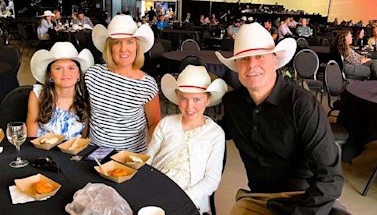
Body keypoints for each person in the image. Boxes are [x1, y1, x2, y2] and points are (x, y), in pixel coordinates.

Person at [215, 22, 344, 214]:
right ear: (236, 66)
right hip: (259, 199)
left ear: (275, 60)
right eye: (244, 59)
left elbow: (330, 179)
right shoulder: (233, 104)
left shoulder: (302, 105)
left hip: (306, 197)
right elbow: (213, 132)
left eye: (259, 56)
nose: (252, 65)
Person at [146, 65, 227, 213]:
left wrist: (182, 196)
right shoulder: (166, 123)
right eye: (183, 98)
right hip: (156, 188)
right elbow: (148, 159)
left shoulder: (215, 134)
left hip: (190, 198)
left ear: (208, 99)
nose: (190, 107)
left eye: (197, 99)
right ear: (177, 97)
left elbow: (211, 180)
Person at [87, 15, 160, 152]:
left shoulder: (147, 84)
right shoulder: (92, 74)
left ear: (137, 46)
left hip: (129, 158)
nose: (123, 49)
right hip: (95, 156)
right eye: (117, 42)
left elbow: (154, 124)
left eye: (129, 42)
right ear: (109, 47)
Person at [27, 42, 94, 139]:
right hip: (42, 151)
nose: (65, 73)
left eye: (71, 68)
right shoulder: (37, 95)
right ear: (50, 75)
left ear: (79, 74)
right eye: (58, 68)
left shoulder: (87, 95)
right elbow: (31, 136)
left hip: (74, 151)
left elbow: (84, 137)